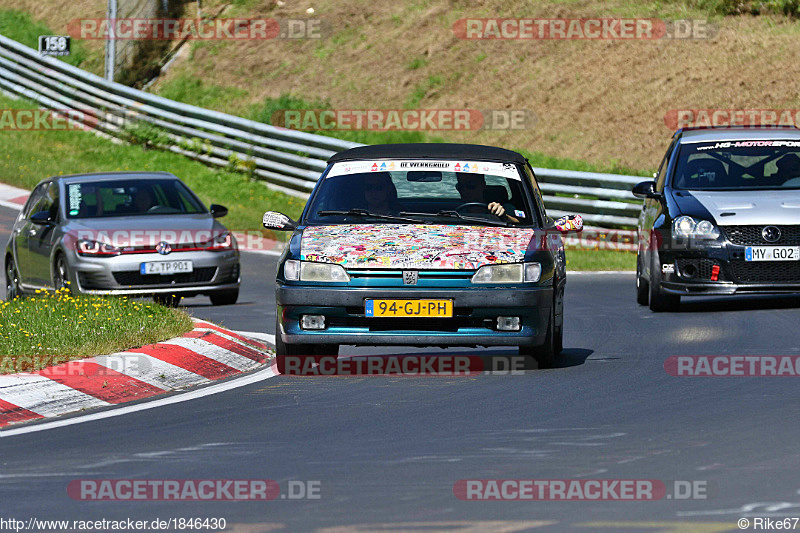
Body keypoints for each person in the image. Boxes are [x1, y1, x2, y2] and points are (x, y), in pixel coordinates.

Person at [455, 173, 520, 224]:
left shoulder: (506, 208)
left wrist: (504, 217)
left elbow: (522, 224)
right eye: (460, 187)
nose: (464, 191)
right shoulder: (453, 210)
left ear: (482, 185)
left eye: (471, 186)